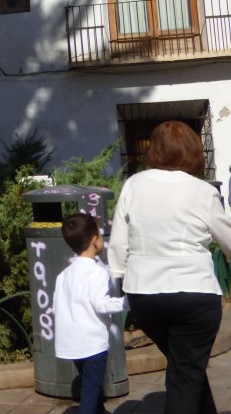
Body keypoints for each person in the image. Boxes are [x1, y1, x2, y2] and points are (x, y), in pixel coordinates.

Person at [109, 120, 231, 414]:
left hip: (145, 295)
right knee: (185, 374)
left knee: (186, 367)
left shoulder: (134, 185)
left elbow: (118, 242)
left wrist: (117, 278)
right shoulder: (202, 191)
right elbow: (227, 239)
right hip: (194, 294)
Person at [54, 212, 127, 414]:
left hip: (70, 342)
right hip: (92, 344)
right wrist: (127, 302)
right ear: (95, 240)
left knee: (91, 386)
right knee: (91, 389)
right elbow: (101, 304)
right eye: (101, 235)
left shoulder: (64, 275)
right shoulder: (97, 272)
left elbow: (57, 306)